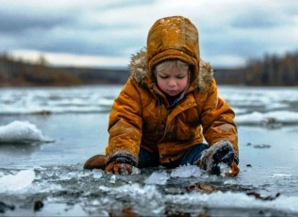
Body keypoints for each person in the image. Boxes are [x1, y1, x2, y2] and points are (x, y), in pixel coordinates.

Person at [84, 16, 240, 176]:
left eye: (180, 77)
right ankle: (116, 160)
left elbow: (218, 119)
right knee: (128, 158)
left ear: (191, 73)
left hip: (185, 150)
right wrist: (123, 153)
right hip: (146, 150)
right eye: (164, 77)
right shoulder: (137, 86)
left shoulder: (203, 89)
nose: (172, 83)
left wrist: (228, 150)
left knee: (201, 151)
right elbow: (126, 120)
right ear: (152, 72)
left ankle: (216, 162)